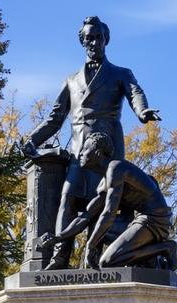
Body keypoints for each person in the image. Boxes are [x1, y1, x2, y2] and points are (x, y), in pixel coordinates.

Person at [18, 16, 159, 266]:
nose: (94, 43)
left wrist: (142, 112)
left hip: (106, 150)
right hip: (79, 153)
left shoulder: (120, 73)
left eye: (98, 37)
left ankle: (92, 259)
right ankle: (59, 258)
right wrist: (32, 140)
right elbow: (55, 118)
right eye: (89, 38)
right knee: (68, 199)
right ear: (83, 42)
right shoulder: (71, 80)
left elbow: (135, 92)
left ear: (106, 40)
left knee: (103, 203)